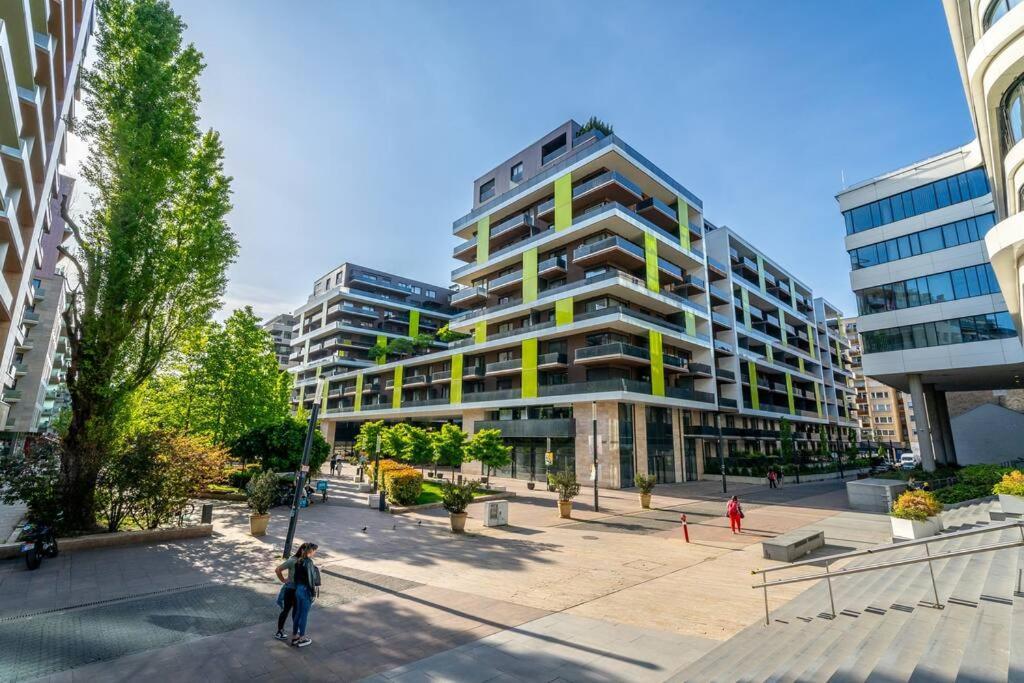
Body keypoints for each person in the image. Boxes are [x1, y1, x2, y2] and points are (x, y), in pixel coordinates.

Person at [290, 542, 319, 647]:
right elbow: (311, 580)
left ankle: (295, 636)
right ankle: (302, 638)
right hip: (305, 590)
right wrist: (313, 593)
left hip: (298, 589)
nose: (315, 553)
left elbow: (296, 578)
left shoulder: (298, 561)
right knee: (304, 615)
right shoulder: (309, 562)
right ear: (311, 551)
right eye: (315, 551)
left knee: (298, 613)